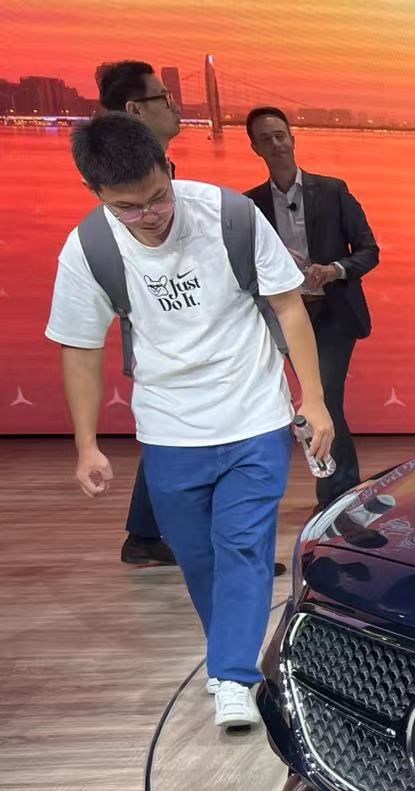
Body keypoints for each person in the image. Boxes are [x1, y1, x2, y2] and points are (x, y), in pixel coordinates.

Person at [46, 113, 333, 731]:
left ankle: (232, 676)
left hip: (253, 413)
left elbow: (288, 306)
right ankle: (230, 657)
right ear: (96, 193)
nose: (150, 215)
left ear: (169, 168)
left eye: (158, 196)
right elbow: (80, 347)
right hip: (169, 427)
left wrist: (312, 398)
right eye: (128, 208)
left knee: (243, 547)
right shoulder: (89, 248)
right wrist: (87, 444)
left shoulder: (229, 216)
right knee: (198, 557)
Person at [244, 106, 380, 506]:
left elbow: (369, 251)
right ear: (255, 148)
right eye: (266, 139)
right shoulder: (250, 206)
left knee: (325, 397)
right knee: (317, 398)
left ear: (293, 138)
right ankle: (342, 491)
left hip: (334, 312)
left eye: (280, 136)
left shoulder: (333, 191)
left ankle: (337, 493)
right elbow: (243, 266)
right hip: (286, 317)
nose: (276, 144)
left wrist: (334, 270)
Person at [96, 59, 181, 568]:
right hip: (161, 322)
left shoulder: (153, 167)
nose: (174, 107)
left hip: (174, 318)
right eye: (163, 98)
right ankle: (157, 537)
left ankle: (148, 534)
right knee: (177, 431)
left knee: (172, 431)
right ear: (135, 109)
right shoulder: (123, 178)